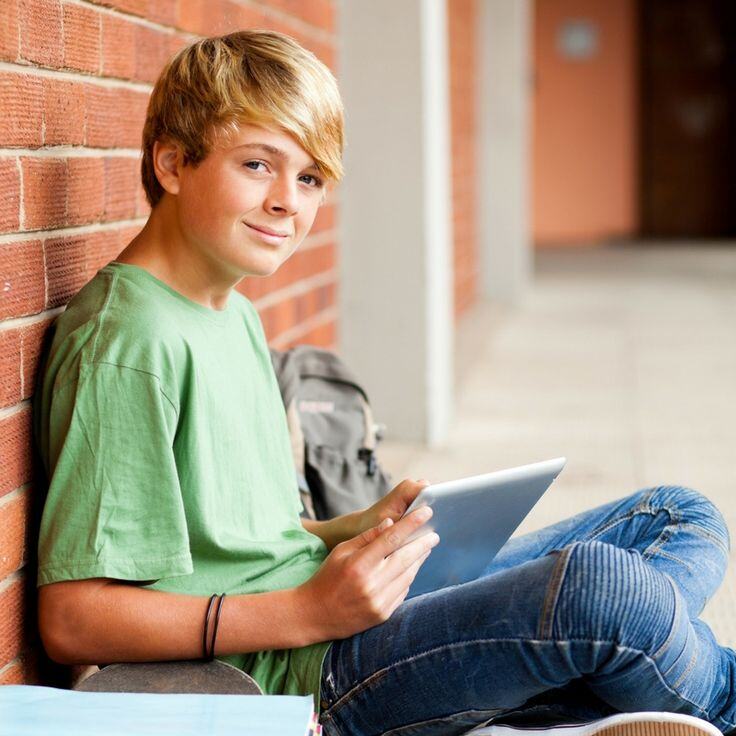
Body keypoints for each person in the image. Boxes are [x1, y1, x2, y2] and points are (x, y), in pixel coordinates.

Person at [33, 29, 736, 736]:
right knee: (599, 592)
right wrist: (309, 611)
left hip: (336, 607)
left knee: (676, 517)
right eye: (258, 165)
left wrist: (356, 530)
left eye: (310, 178)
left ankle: (569, 691)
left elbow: (243, 543)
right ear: (173, 163)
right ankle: (649, 692)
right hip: (310, 671)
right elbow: (73, 617)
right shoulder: (128, 342)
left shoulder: (233, 313)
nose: (289, 203)